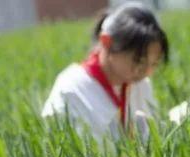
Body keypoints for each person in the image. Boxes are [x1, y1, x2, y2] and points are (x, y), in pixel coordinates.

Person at [42, 3, 169, 140]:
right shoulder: (70, 89)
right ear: (107, 42)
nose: (147, 72)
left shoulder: (141, 84)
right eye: (138, 62)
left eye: (154, 64)